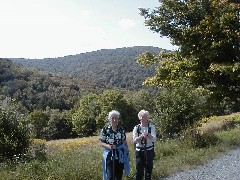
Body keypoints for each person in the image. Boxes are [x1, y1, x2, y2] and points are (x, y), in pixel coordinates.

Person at [99, 110, 130, 180]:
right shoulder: (105, 129)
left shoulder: (121, 129)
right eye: (113, 118)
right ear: (110, 119)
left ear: (118, 119)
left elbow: (124, 141)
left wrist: (127, 151)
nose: (114, 119)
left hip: (120, 154)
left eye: (116, 118)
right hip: (110, 154)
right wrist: (109, 147)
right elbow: (101, 142)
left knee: (119, 176)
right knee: (110, 176)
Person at [133, 110, 157, 180]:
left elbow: (154, 139)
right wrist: (141, 137)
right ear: (140, 118)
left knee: (148, 170)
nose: (144, 119)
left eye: (146, 117)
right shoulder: (136, 128)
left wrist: (148, 135)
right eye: (143, 117)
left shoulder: (151, 127)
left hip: (149, 151)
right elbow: (134, 140)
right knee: (139, 171)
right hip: (139, 151)